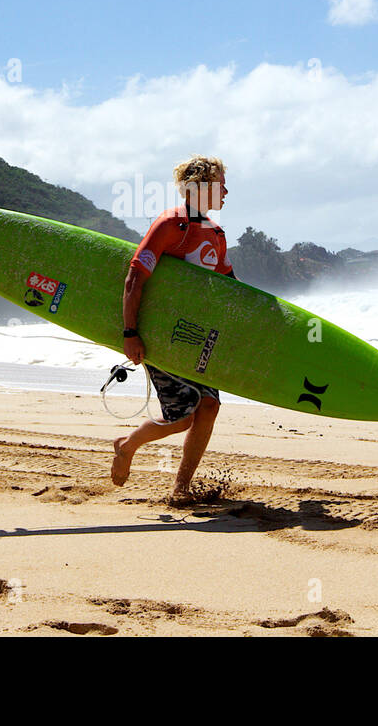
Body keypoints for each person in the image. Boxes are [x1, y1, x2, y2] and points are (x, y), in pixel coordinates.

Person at [112, 155, 234, 502]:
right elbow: (135, 277)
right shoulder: (170, 225)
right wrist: (130, 332)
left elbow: (229, 285)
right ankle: (127, 444)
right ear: (202, 186)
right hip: (161, 336)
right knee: (182, 418)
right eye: (221, 184)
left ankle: (181, 487)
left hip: (198, 337)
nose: (226, 191)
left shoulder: (216, 234)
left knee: (209, 407)